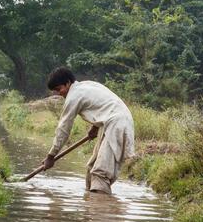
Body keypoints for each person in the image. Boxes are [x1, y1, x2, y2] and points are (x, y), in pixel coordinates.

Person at [43, 67, 135, 195]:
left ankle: (100, 211)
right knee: (91, 169)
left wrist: (51, 156)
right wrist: (94, 127)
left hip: (116, 122)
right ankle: (90, 206)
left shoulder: (74, 96)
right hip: (111, 121)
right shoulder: (87, 85)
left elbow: (63, 129)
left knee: (100, 173)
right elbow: (102, 106)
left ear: (68, 83)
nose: (59, 93)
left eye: (59, 89)